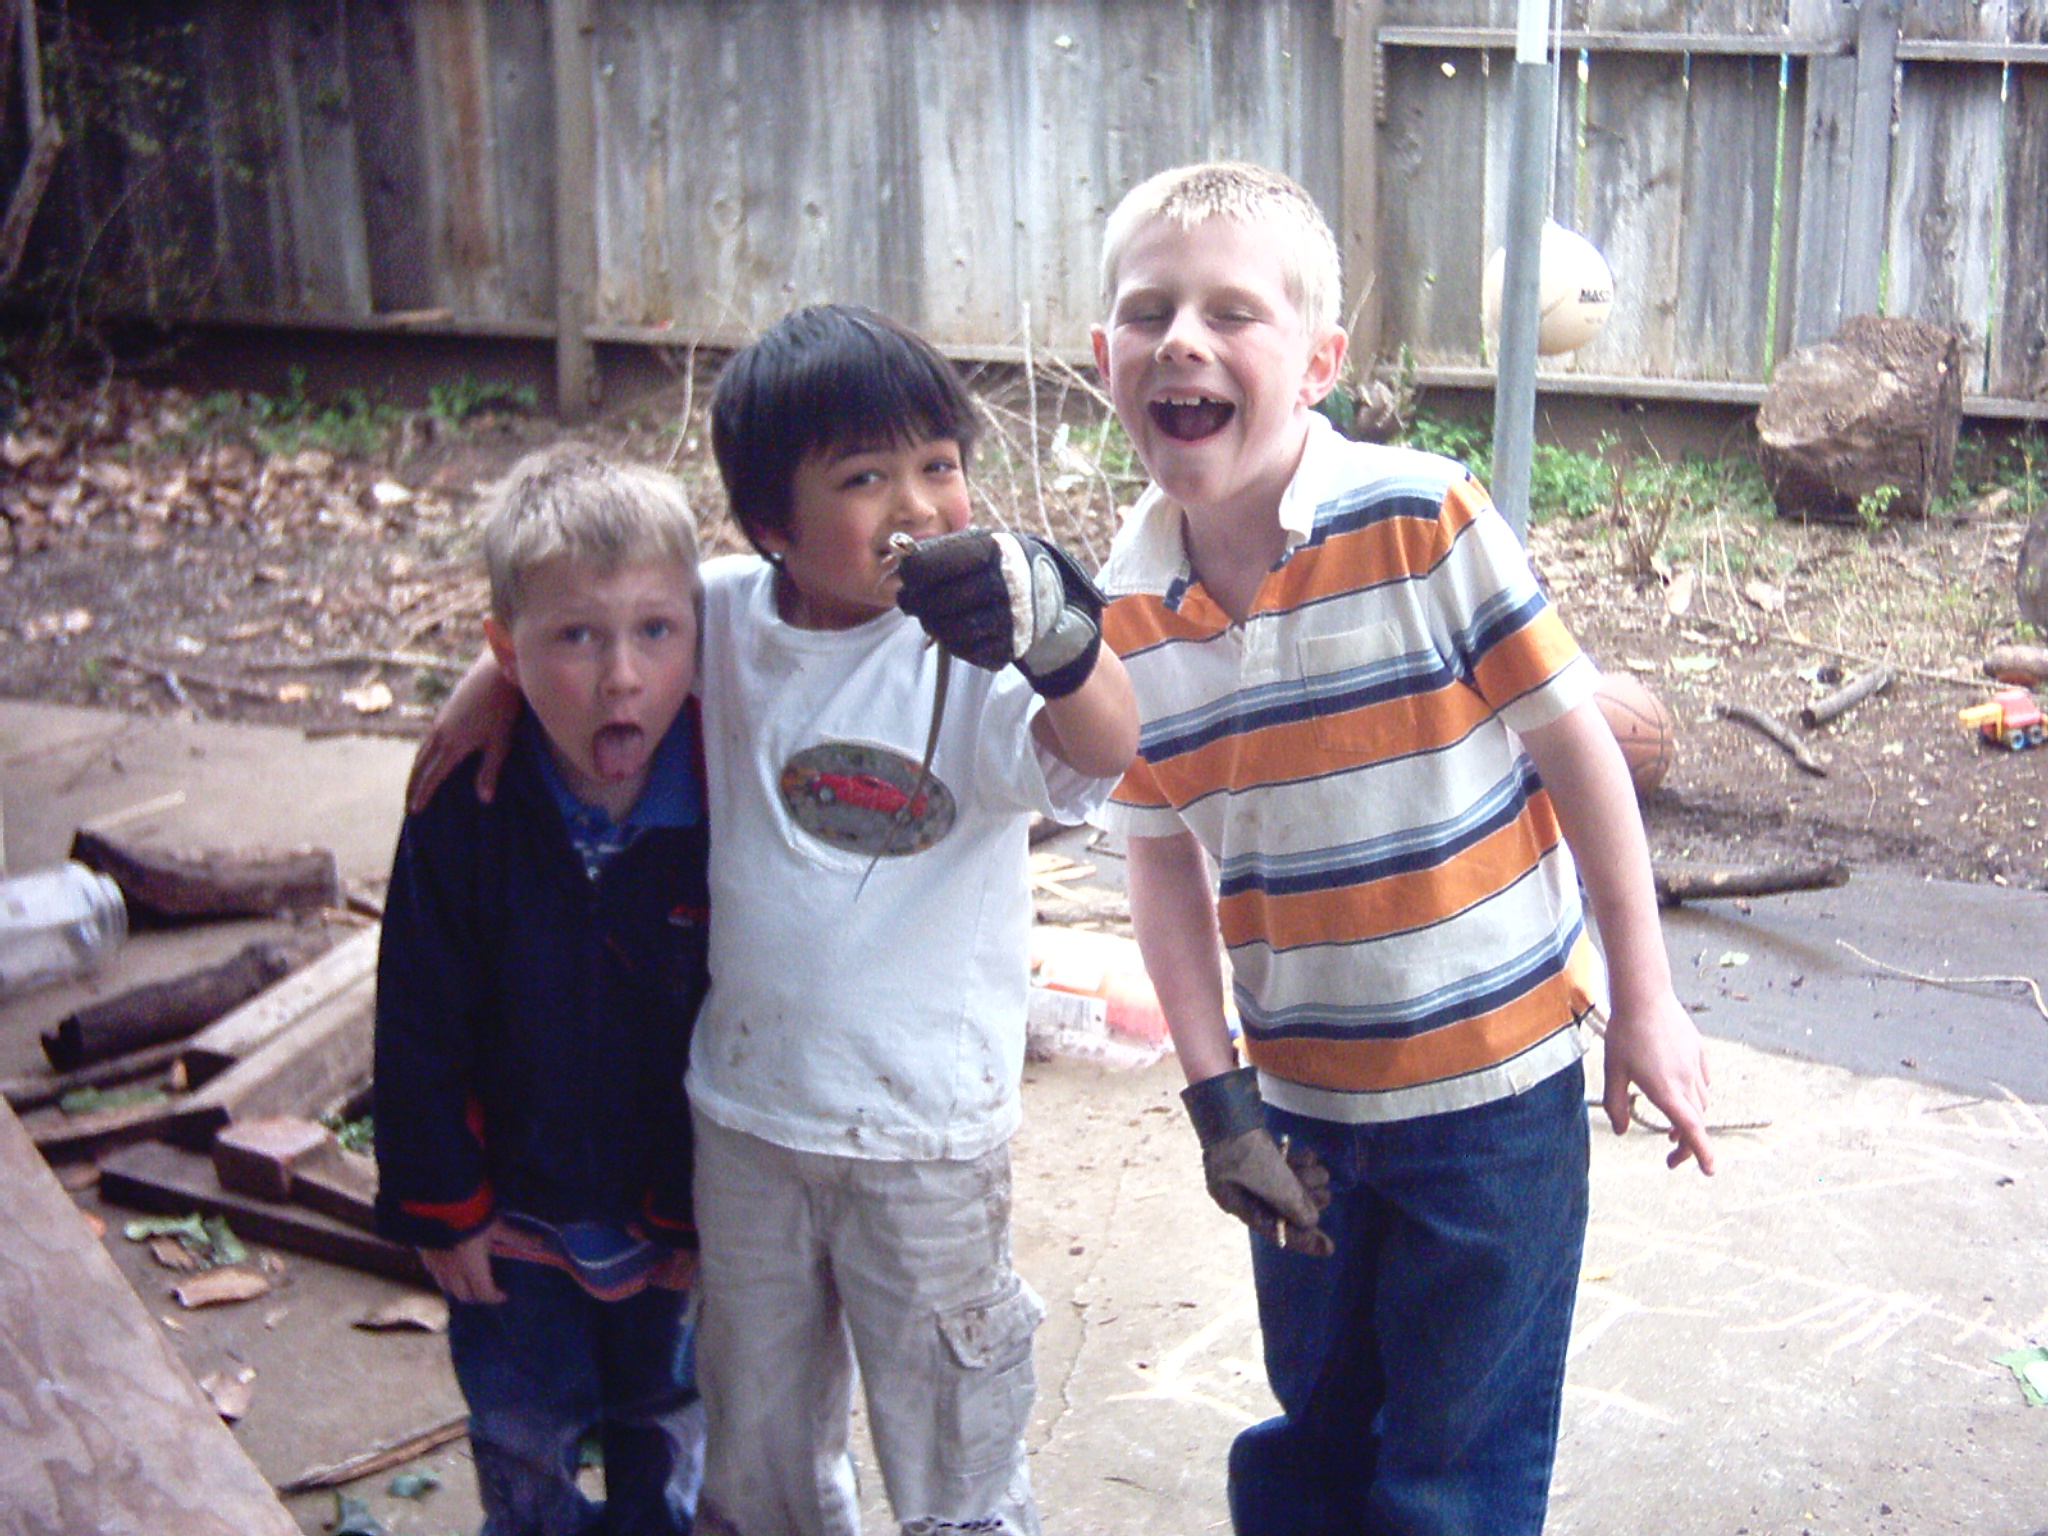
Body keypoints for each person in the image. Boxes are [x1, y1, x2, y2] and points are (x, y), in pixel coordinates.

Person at [406, 303, 1139, 1536]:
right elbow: (600, 607)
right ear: (770, 527)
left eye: (939, 465)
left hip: (927, 1138)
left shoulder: (976, 658)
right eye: (863, 478)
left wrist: (1057, 638)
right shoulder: (725, 619)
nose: (917, 506)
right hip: (745, 1126)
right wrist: (495, 684)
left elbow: (1106, 744)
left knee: (952, 1445)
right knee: (756, 1446)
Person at [1085, 161, 1716, 1535]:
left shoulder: (1423, 516)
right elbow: (1159, 860)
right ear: (1102, 356)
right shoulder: (1119, 613)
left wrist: (1647, 1000)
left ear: (1319, 362)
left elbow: (1576, 750)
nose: (1182, 339)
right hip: (1299, 1110)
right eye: (1148, 311)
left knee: (1453, 1472)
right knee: (1317, 1435)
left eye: (1230, 313)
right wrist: (1218, 1100)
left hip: (1491, 1099)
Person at [375, 443, 712, 1536]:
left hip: (672, 1217)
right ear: (505, 654)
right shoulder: (461, 807)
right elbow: (416, 1016)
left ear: (700, 636)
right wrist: (439, 1204)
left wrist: (717, 1209)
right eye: (574, 637)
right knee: (523, 1441)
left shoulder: (729, 793)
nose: (622, 676)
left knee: (670, 1439)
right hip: (514, 1222)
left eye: (655, 631)